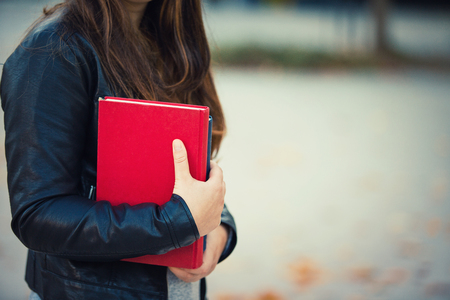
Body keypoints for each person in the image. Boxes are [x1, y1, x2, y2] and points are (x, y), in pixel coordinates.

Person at [0, 0, 237, 299]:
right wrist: (176, 224)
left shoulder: (172, 42)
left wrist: (218, 228)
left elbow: (190, 179)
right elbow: (38, 215)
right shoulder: (54, 50)